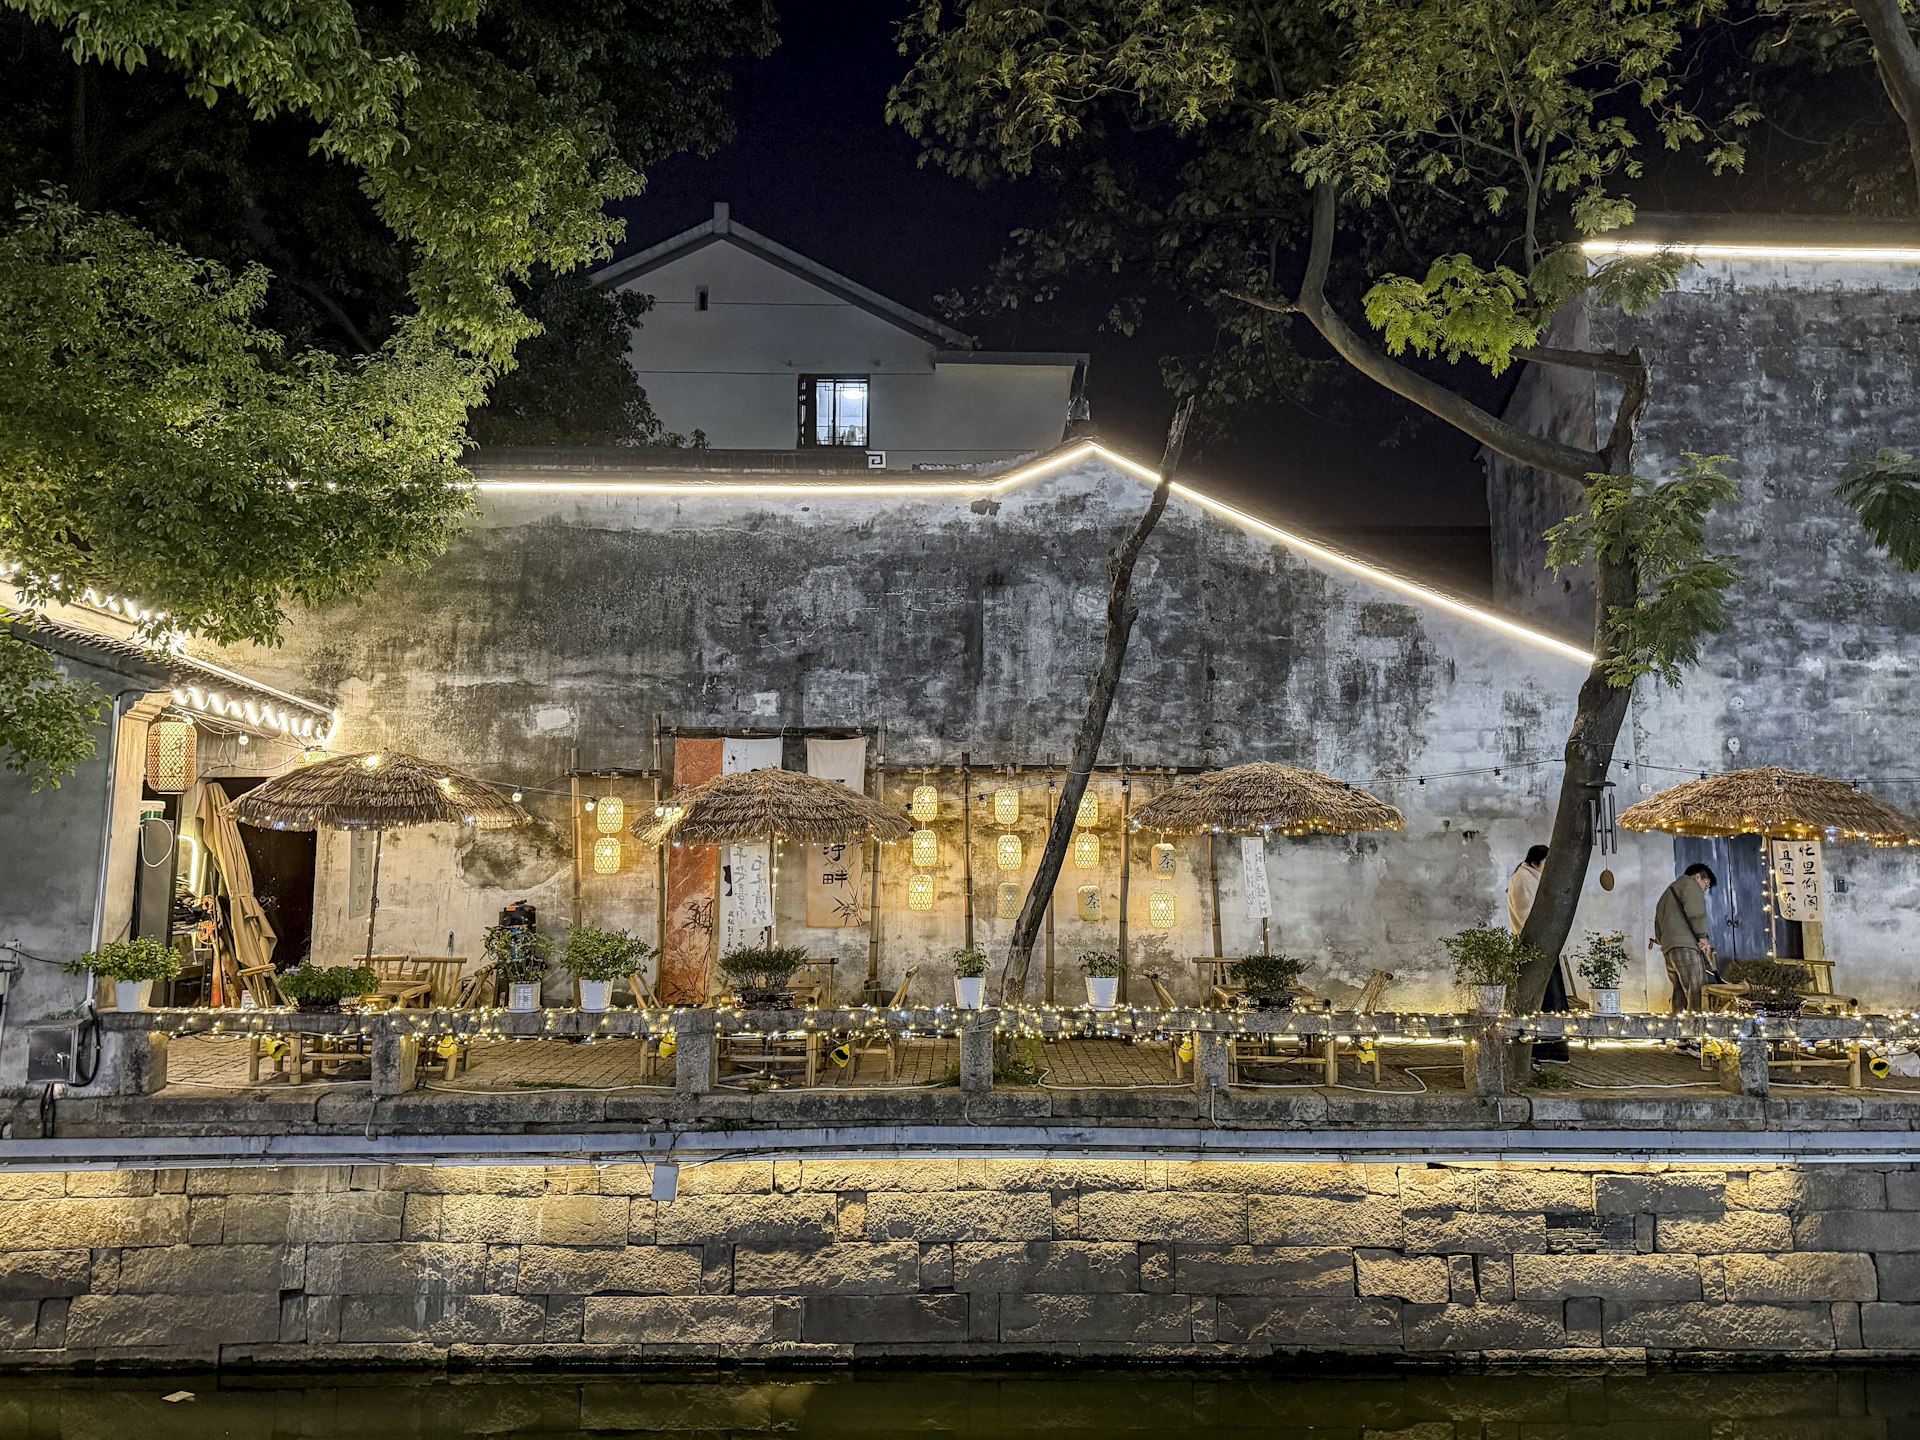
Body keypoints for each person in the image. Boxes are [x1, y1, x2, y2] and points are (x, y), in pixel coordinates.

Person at [1508, 844, 1570, 1061]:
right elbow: (1528, 916)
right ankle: (1544, 1050)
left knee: (1551, 1001)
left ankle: (1551, 1048)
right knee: (1546, 1000)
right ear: (1536, 862)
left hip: (1542, 946)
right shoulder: (1523, 878)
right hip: (1535, 947)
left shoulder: (1530, 877)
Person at [1654, 862, 1717, 1011]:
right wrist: (1703, 937)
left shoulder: (1667, 893)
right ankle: (1698, 1029)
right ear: (1698, 877)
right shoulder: (1690, 884)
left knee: (1680, 993)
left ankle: (1679, 1029)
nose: (1704, 890)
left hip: (1669, 949)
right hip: (1685, 946)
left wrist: (1662, 941)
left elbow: (1657, 925)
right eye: (1706, 885)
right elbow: (1696, 913)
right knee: (1697, 991)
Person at [1507, 844, 1549, 933]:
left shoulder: (1529, 877)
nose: (1549, 866)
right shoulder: (1523, 878)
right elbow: (1524, 914)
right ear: (1534, 864)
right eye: (1546, 862)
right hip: (1531, 939)